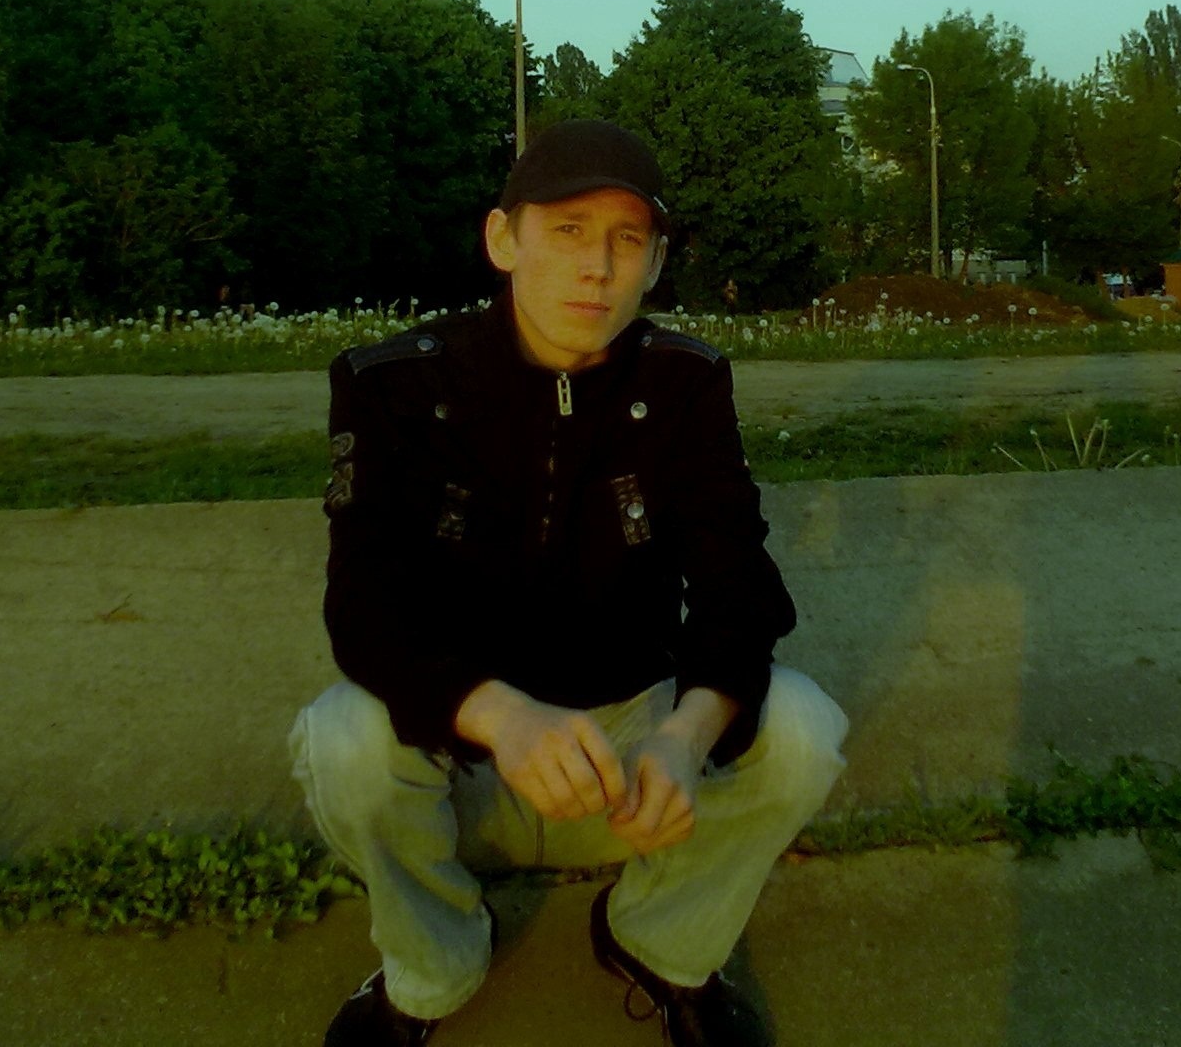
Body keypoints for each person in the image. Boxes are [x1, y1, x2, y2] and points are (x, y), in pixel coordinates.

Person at [289, 119, 849, 1047]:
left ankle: (660, 945)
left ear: (655, 263)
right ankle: (431, 971)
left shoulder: (686, 383)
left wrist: (685, 736)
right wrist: (501, 717)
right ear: (503, 239)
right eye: (569, 230)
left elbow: (741, 586)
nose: (597, 267)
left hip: (632, 756)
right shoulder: (390, 386)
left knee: (801, 729)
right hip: (466, 750)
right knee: (343, 737)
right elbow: (362, 605)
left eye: (627, 239)